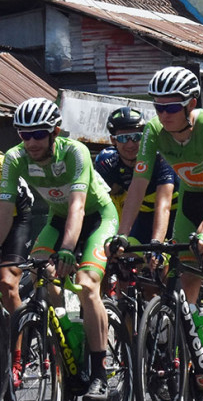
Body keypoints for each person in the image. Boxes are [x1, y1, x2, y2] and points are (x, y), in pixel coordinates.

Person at [119, 67, 203, 353]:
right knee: (184, 269)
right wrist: (121, 235)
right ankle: (190, 350)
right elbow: (138, 186)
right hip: (191, 196)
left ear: (191, 104)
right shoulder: (154, 130)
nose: (163, 114)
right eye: (158, 107)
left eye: (171, 107)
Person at [0, 98, 119, 401]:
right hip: (58, 219)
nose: (31, 142)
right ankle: (65, 335)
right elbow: (4, 211)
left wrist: (67, 249)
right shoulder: (15, 158)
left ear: (55, 131)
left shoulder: (75, 151)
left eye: (38, 134)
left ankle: (99, 373)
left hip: (97, 218)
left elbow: (78, 207)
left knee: (87, 285)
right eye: (23, 135)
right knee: (41, 270)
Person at [96, 107, 177, 245]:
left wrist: (156, 243)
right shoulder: (108, 163)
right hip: (143, 217)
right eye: (122, 138)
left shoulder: (160, 159)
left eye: (136, 137)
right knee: (124, 255)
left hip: (173, 214)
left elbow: (163, 205)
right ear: (113, 140)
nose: (130, 144)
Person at [0, 152, 34, 387]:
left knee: (7, 282)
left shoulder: (2, 165)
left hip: (14, 216)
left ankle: (17, 361)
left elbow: (4, 215)